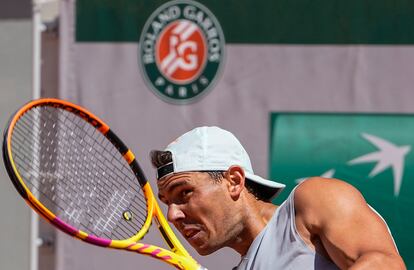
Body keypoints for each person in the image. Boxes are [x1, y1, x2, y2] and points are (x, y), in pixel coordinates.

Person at [150, 126, 406, 269]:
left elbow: (385, 265)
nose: (173, 215)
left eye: (185, 193)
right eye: (167, 202)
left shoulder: (313, 201)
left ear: (234, 181)